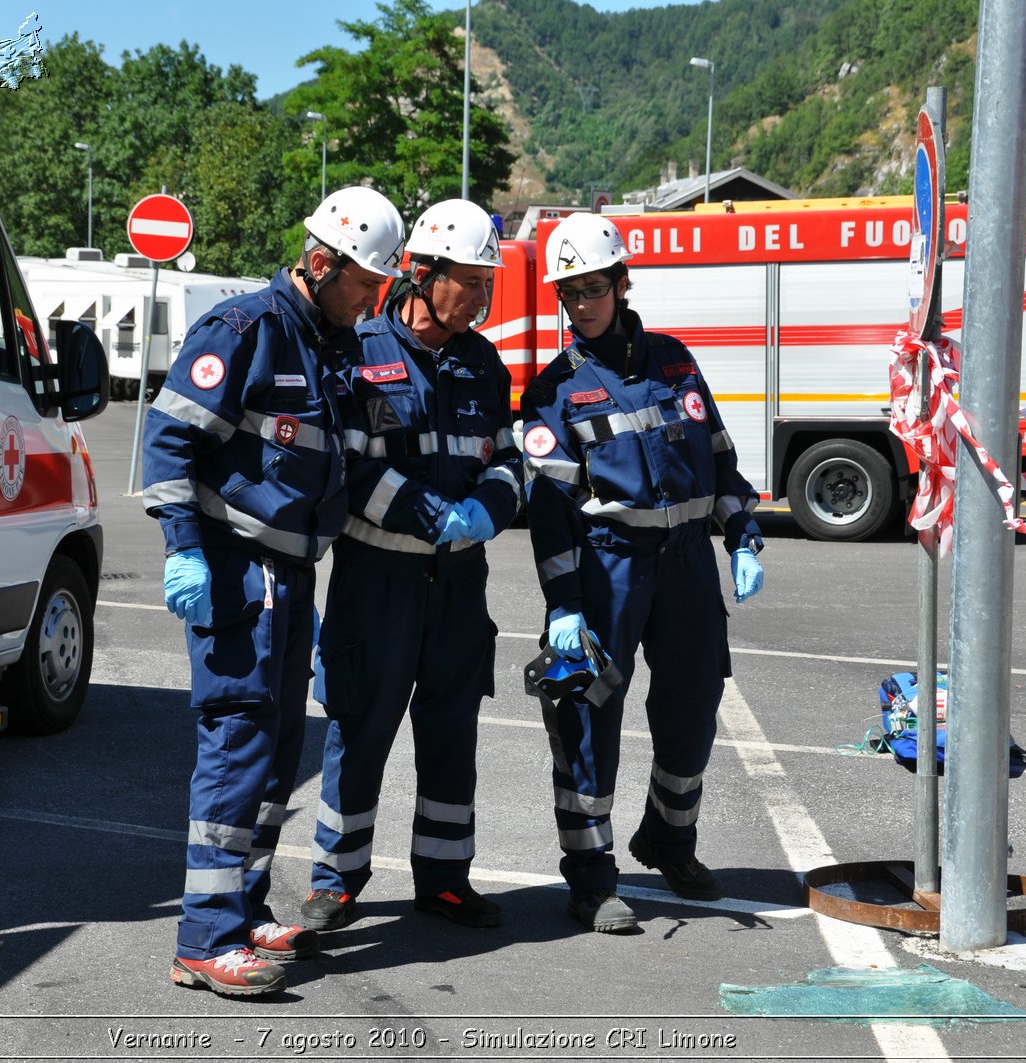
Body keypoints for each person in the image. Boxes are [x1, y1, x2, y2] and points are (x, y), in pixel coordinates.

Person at [141, 185, 406, 997]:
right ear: (321, 262)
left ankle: (245, 906)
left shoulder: (331, 344)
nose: (376, 299)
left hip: (291, 574)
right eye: (367, 283)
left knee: (277, 746)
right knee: (237, 742)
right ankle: (204, 938)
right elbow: (169, 437)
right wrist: (186, 549)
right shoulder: (245, 330)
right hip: (237, 564)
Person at [519, 211, 766, 933]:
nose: (581, 303)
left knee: (693, 705)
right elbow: (550, 511)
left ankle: (667, 838)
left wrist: (742, 533)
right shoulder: (553, 392)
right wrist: (564, 604)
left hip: (687, 561)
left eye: (592, 287)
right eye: (568, 293)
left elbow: (718, 456)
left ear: (623, 283)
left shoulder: (676, 360)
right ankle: (592, 878)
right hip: (607, 569)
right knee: (587, 717)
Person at [300, 199, 523, 933]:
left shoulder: (482, 361)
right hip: (378, 583)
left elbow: (509, 455)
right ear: (423, 276)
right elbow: (349, 470)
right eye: (472, 282)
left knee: (453, 731)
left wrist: (491, 505)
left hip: (460, 586)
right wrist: (435, 516)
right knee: (360, 730)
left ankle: (445, 876)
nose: (484, 299)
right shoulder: (362, 351)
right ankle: (337, 879)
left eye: (488, 283)